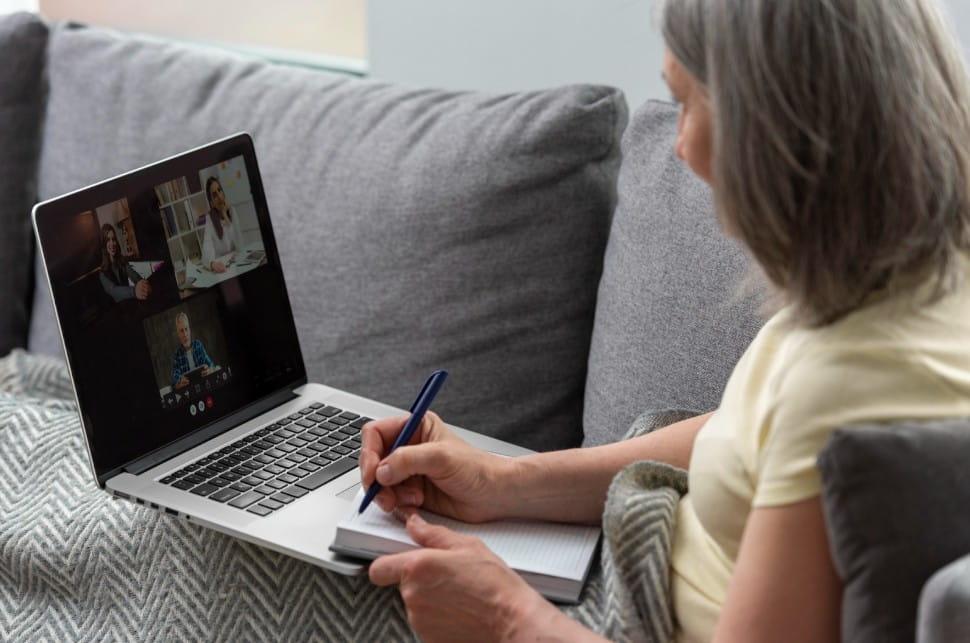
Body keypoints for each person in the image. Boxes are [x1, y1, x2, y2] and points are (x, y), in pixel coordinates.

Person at [358, 1, 970, 641]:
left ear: (771, 124)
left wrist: (507, 619)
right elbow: (749, 434)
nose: (677, 145)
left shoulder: (850, 379)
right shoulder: (909, 283)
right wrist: (501, 482)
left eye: (686, 102)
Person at [201, 176, 245, 273]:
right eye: (214, 195)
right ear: (212, 203)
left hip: (236, 264)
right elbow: (206, 249)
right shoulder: (210, 219)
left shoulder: (232, 211)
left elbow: (240, 244)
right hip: (221, 267)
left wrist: (225, 216)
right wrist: (212, 264)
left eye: (219, 190)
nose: (219, 196)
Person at [98, 223, 151, 302]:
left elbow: (134, 276)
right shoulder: (102, 273)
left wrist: (143, 285)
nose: (112, 243)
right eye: (108, 240)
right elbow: (114, 291)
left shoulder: (122, 261)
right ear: (104, 244)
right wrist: (134, 291)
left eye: (114, 239)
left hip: (129, 304)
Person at [170, 312, 215, 390]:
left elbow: (211, 365)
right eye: (181, 331)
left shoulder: (198, 344)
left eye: (186, 329)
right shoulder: (177, 355)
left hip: (205, 385)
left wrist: (210, 370)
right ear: (178, 334)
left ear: (189, 330)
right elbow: (174, 381)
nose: (185, 334)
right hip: (189, 391)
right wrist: (179, 383)